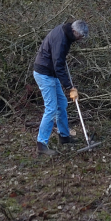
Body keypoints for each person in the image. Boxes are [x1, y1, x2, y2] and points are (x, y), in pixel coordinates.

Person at [32, 19, 89, 156]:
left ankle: (64, 136)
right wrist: (70, 87)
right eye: (80, 36)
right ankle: (41, 144)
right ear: (74, 31)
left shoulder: (67, 32)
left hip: (50, 72)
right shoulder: (61, 40)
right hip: (44, 73)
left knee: (62, 103)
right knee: (51, 108)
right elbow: (58, 66)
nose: (80, 39)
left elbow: (58, 60)